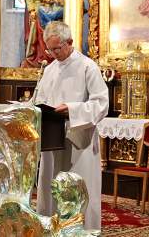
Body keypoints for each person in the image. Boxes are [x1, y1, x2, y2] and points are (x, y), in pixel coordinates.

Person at [35, 21, 109, 230]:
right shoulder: (49, 70)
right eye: (50, 49)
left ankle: (82, 231)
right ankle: (51, 228)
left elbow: (101, 104)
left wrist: (72, 109)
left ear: (70, 42)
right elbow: (40, 99)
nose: (53, 53)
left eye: (57, 48)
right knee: (51, 184)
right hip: (51, 138)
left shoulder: (88, 67)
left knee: (79, 185)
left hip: (78, 139)